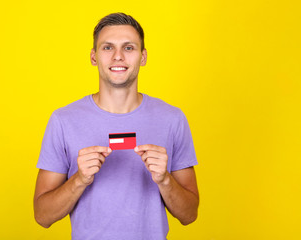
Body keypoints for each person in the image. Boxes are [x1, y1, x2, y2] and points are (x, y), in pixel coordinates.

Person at [33, 12, 199, 240]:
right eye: (108, 47)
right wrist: (79, 180)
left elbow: (189, 214)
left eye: (129, 48)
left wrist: (165, 180)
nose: (118, 56)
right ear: (94, 57)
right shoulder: (63, 120)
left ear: (143, 56)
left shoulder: (172, 119)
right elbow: (42, 216)